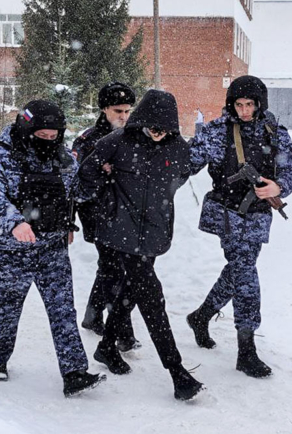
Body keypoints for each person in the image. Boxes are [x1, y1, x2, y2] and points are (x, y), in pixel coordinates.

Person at [78, 89, 203, 401]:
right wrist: (109, 190)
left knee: (131, 292)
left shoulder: (179, 148)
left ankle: (107, 347)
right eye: (153, 127)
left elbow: (182, 175)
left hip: (154, 235)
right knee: (152, 298)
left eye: (165, 129)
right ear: (142, 121)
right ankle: (177, 372)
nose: (158, 133)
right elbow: (85, 176)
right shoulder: (117, 141)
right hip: (122, 232)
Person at [0, 100, 105, 397]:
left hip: (52, 248)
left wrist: (97, 171)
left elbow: (76, 193)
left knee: (62, 309)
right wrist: (15, 222)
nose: (48, 141)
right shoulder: (0, 156)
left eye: (53, 136)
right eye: (42, 135)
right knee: (7, 308)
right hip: (10, 249)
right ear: (28, 128)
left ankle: (74, 372)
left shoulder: (63, 159)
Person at [185, 75, 292, 378]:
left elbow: (289, 172)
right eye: (239, 104)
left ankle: (201, 316)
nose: (244, 110)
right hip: (228, 213)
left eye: (249, 105)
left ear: (260, 105)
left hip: (259, 214)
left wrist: (277, 187)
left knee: (238, 270)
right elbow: (188, 160)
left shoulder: (275, 133)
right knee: (246, 272)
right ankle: (246, 349)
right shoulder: (218, 131)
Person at [72, 82, 139, 352]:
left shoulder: (134, 137)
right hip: (99, 215)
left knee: (111, 268)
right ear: (104, 110)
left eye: (127, 111)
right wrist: (101, 171)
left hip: (126, 214)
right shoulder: (88, 140)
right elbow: (75, 184)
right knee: (115, 270)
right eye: (117, 110)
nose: (123, 116)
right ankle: (122, 331)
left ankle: (92, 315)